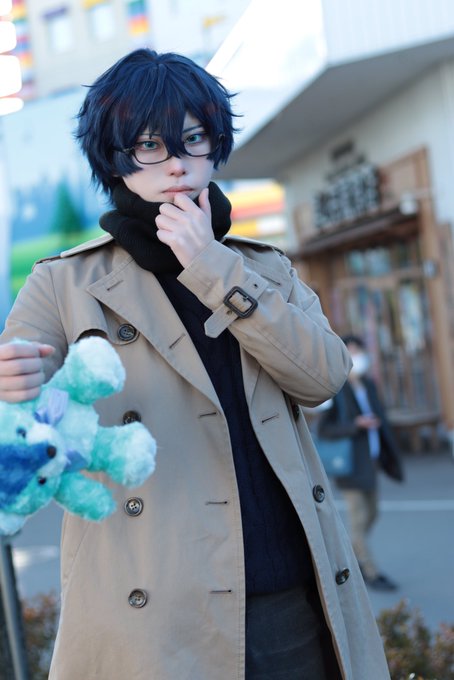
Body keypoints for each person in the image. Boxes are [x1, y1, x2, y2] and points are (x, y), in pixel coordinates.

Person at [0, 49, 391, 679]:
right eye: (150, 145)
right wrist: (13, 388)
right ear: (116, 159)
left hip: (287, 597)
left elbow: (322, 378)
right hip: (152, 612)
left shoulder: (264, 269)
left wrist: (211, 266)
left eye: (193, 139)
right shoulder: (64, 283)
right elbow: (18, 423)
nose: (177, 163)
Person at [318, 334, 404, 592]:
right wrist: (355, 425)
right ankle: (370, 570)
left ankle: (356, 552)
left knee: (373, 512)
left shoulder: (368, 384)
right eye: (351, 351)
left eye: (358, 351)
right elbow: (324, 429)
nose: (357, 357)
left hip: (371, 461)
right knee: (358, 518)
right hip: (350, 464)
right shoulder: (336, 389)